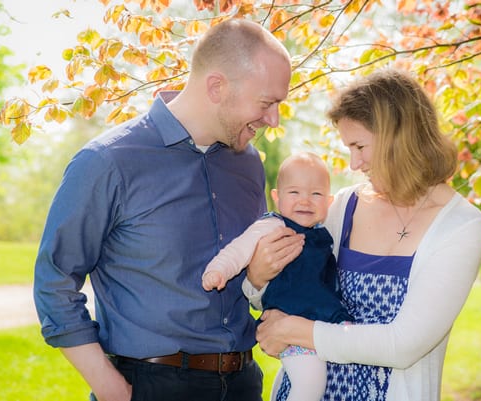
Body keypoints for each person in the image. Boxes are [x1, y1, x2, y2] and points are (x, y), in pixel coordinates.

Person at [33, 19, 304, 401]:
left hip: (243, 382)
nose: (273, 119)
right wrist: (110, 387)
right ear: (216, 87)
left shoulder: (249, 164)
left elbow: (248, 269)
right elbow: (54, 281)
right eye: (267, 103)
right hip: (150, 386)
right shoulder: (108, 161)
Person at [247, 68, 481, 401]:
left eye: (359, 146)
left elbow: (403, 344)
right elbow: (289, 288)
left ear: (398, 137)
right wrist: (258, 280)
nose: (353, 163)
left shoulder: (461, 227)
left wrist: (295, 330)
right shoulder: (343, 207)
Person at [203, 152, 352, 401]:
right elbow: (240, 249)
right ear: (277, 197)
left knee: (304, 380)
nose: (305, 201)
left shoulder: (322, 234)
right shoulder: (273, 226)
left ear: (329, 201)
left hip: (320, 322)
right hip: (288, 321)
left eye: (315, 194)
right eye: (294, 193)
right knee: (310, 385)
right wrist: (218, 270)